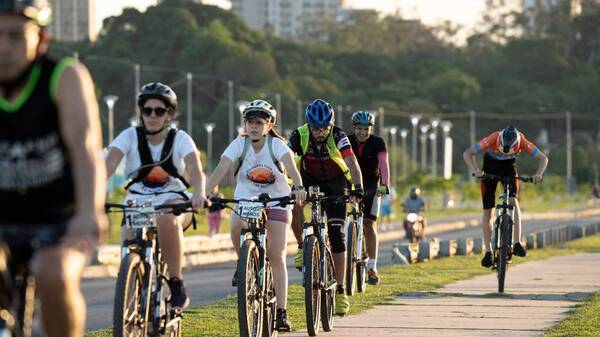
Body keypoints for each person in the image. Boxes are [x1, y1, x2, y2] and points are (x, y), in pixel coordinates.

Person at [0, 1, 108, 336]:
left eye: (16, 36)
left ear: (42, 38)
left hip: (59, 217)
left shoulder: (63, 77)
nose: (4, 47)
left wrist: (90, 212)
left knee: (54, 272)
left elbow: (86, 148)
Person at [205, 99, 306, 332]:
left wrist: (298, 187)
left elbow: (292, 169)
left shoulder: (277, 146)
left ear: (269, 125)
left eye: (259, 123)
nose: (253, 127)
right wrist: (206, 192)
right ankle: (243, 262)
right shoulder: (239, 144)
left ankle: (281, 312)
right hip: (246, 199)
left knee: (276, 253)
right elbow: (221, 168)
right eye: (250, 122)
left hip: (277, 202)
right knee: (235, 224)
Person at [105, 82, 206, 309]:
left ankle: (176, 282)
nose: (152, 115)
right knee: (128, 231)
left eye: (159, 111)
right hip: (138, 202)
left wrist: (199, 193)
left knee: (165, 217)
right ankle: (131, 290)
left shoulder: (180, 139)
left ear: (168, 115)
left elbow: (195, 170)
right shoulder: (129, 136)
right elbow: (108, 164)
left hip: (174, 203)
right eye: (147, 110)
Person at [288, 98, 363, 316]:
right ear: (308, 125)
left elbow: (352, 163)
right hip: (308, 179)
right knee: (295, 203)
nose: (320, 133)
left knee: (336, 234)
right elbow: (288, 159)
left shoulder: (338, 135)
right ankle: (303, 245)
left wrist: (357, 187)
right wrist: (291, 184)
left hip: (336, 182)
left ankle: (340, 290)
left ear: (330, 125)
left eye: (324, 128)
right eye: (315, 128)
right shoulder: (298, 134)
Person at [463, 125, 548, 268]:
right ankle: (488, 252)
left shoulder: (521, 140)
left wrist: (538, 174)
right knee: (488, 211)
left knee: (514, 201)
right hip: (490, 167)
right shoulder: (493, 138)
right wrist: (476, 170)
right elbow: (468, 153)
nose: (504, 153)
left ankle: (516, 242)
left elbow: (543, 158)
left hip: (509, 168)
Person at [348, 111, 390, 285]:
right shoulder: (347, 141)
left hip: (373, 186)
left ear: (371, 129)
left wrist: (385, 184)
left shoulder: (378, 142)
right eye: (359, 128)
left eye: (366, 129)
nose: (362, 132)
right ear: (354, 128)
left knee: (369, 223)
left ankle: (372, 266)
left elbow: (384, 165)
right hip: (350, 185)